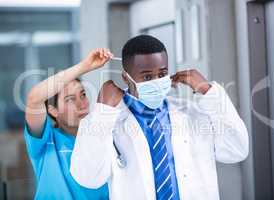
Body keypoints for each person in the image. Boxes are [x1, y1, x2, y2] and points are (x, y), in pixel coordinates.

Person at [70, 35, 249, 200]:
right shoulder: (106, 121)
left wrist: (208, 92)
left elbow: (237, 150)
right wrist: (103, 112)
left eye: (162, 74)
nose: (157, 80)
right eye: (147, 76)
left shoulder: (192, 113)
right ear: (126, 77)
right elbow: (88, 178)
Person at [24, 48, 113, 199]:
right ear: (53, 111)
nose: (82, 104)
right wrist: (85, 66)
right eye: (70, 99)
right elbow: (34, 98)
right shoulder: (45, 141)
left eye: (83, 95)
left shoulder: (102, 137)